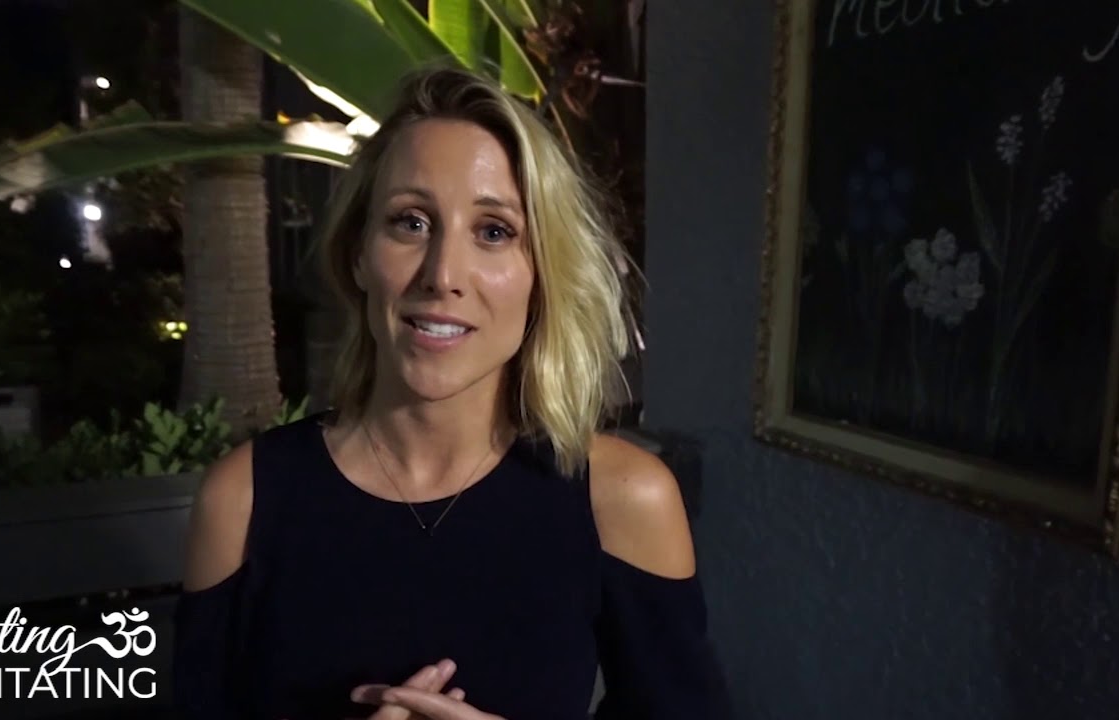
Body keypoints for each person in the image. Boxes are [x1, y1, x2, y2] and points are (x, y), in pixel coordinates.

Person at [172, 64, 731, 720]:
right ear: (358, 253)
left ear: (541, 275)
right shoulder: (243, 498)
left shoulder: (624, 499)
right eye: (410, 222)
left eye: (494, 232)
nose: (442, 274)